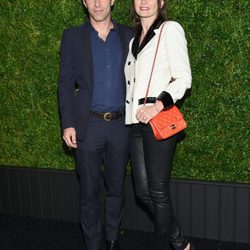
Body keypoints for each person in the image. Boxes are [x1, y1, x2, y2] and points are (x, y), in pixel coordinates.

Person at [58, 0, 133, 249]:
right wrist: (68, 123)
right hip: (87, 128)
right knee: (89, 193)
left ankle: (112, 241)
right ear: (84, 2)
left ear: (112, 1)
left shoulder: (129, 35)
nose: (97, 3)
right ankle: (92, 244)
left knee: (116, 189)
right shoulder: (72, 37)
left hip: (121, 127)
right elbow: (65, 84)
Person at [124, 0, 194, 249]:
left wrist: (158, 104)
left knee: (158, 192)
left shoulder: (170, 29)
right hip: (135, 123)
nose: (144, 2)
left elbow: (183, 77)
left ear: (161, 2)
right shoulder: (134, 41)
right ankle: (181, 242)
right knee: (143, 193)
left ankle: (166, 245)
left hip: (158, 120)